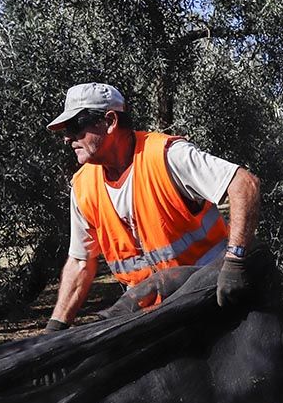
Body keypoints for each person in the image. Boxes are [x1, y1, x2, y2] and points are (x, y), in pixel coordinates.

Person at [43, 83, 261, 330]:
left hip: (214, 297)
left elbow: (244, 184)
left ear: (110, 121)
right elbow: (80, 262)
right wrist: (55, 328)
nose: (67, 138)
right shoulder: (83, 187)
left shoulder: (167, 156)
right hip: (151, 316)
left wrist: (235, 262)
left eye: (75, 126)